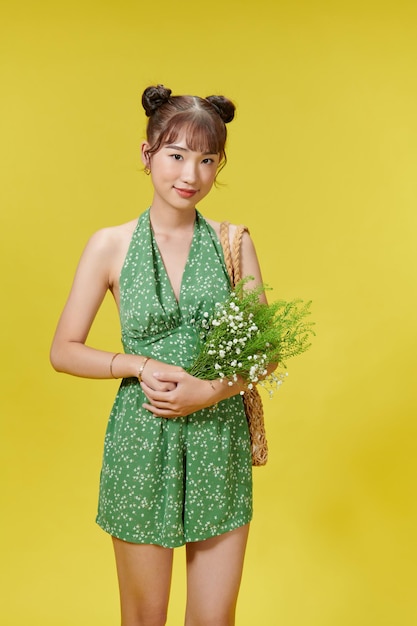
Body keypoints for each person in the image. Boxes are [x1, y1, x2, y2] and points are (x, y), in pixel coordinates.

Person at [50, 84, 270, 626]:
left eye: (206, 160)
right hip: (141, 439)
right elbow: (63, 350)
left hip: (220, 437)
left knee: (214, 620)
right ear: (147, 155)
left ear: (219, 165)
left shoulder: (233, 242)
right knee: (144, 619)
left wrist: (210, 390)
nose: (190, 175)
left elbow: (264, 350)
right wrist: (137, 364)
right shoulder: (110, 244)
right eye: (176, 156)